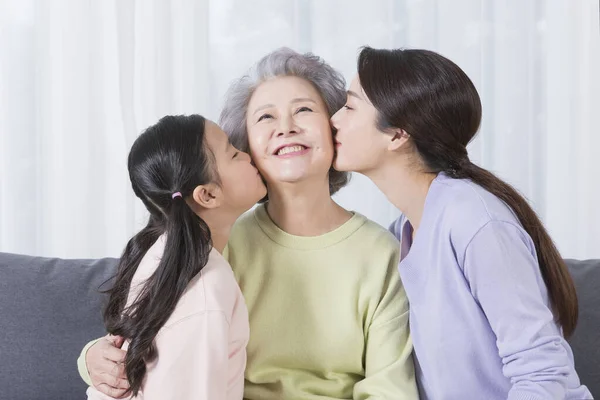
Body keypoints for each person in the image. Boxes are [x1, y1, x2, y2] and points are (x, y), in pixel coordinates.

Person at [78, 48, 419, 399]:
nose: (286, 127)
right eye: (266, 118)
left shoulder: (382, 255)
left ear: (334, 128)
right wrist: (92, 358)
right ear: (245, 147)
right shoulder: (215, 247)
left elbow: (389, 388)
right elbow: (162, 340)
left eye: (303, 109)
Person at [331, 46, 593, 400]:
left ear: (397, 134)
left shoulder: (472, 219)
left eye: (349, 106)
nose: (334, 119)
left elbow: (543, 373)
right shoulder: (403, 231)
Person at [86, 114, 266, 399]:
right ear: (207, 195)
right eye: (233, 153)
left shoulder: (163, 255)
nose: (247, 155)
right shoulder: (206, 287)